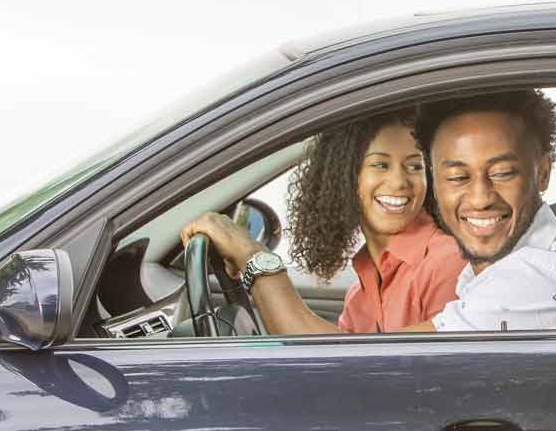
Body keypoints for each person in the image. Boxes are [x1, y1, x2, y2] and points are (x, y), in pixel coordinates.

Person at [182, 110, 465, 334]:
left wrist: (252, 257)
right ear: (345, 176)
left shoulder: (446, 262)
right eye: (380, 164)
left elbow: (358, 366)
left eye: (414, 166)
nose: (400, 181)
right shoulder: (360, 292)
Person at [399, 88, 556, 332]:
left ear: (543, 173)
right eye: (457, 177)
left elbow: (369, 363)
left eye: (502, 173)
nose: (480, 198)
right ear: (434, 181)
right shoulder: (548, 251)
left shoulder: (531, 281)